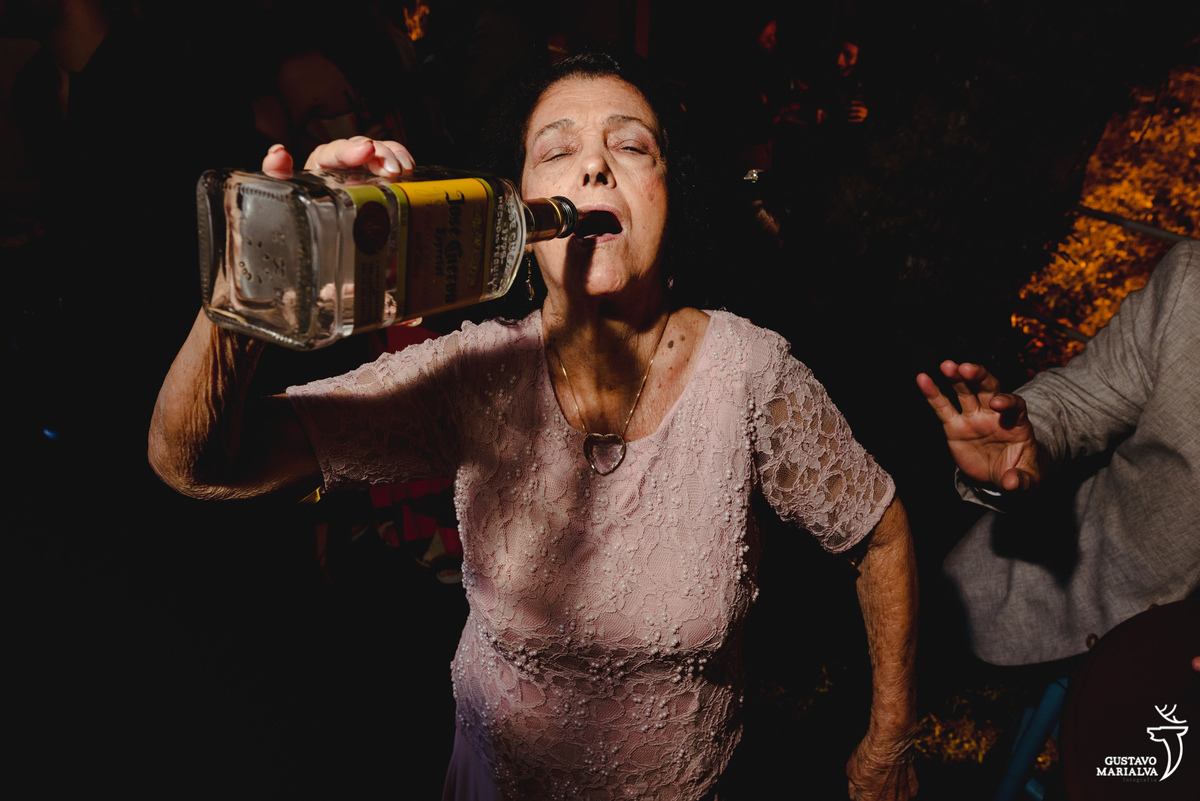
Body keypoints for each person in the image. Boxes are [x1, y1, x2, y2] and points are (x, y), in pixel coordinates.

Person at [149, 51, 919, 800]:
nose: (594, 168)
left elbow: (879, 533)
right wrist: (254, 281)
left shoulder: (750, 375)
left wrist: (887, 741)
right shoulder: (473, 377)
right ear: (517, 210)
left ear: (670, 196)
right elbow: (199, 462)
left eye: (630, 145)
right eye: (558, 149)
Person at [916, 240, 1199, 667]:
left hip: (1170, 691)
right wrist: (1029, 438)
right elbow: (1084, 396)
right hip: (1062, 587)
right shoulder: (1192, 282)